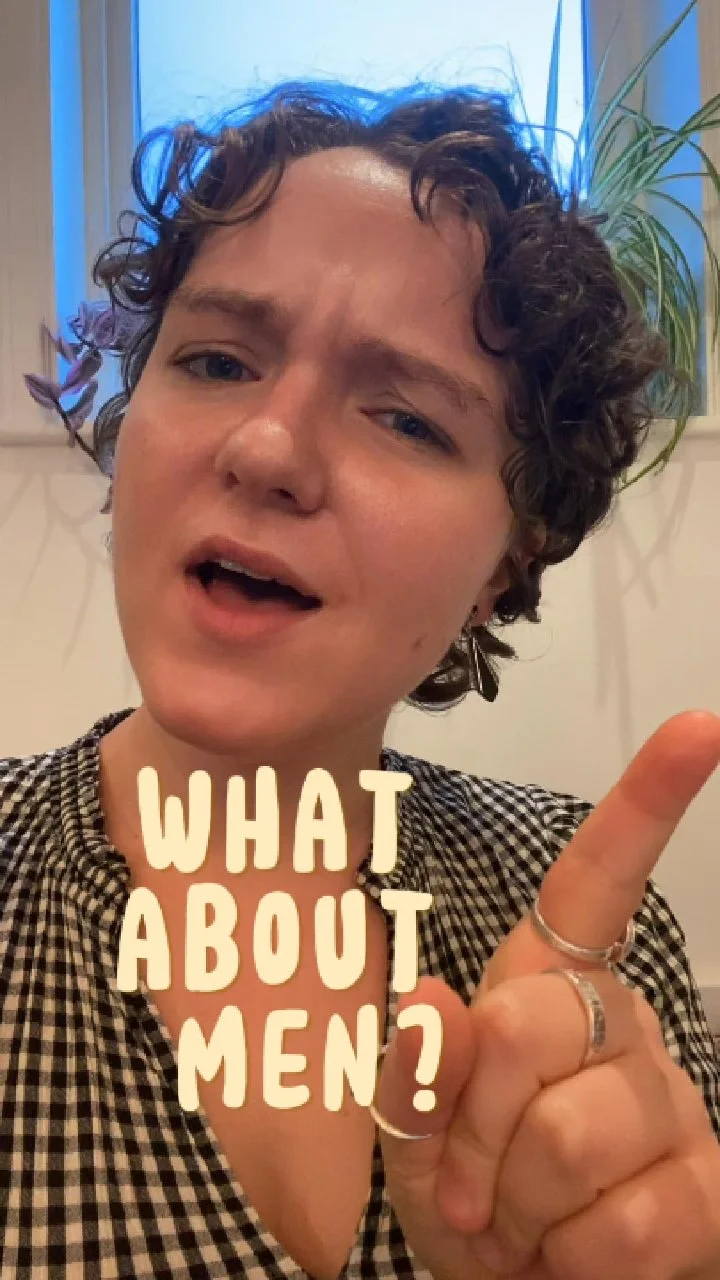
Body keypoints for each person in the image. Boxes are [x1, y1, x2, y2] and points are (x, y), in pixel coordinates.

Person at [1, 80, 719, 1280]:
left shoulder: (581, 935)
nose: (267, 447)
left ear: (508, 560)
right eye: (217, 359)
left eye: (407, 420)